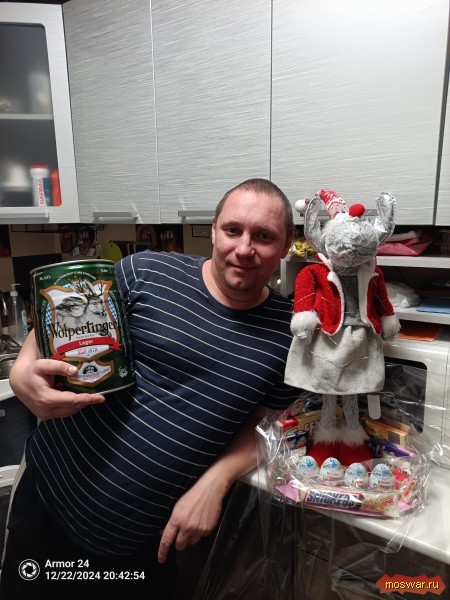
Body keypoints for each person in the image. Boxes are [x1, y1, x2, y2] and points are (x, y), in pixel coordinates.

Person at [0, 178, 300, 600]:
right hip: (47, 499)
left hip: (141, 543)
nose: (244, 248)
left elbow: (268, 426)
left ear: (286, 245)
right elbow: (62, 320)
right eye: (233, 230)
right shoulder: (146, 272)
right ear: (214, 230)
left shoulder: (290, 334)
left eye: (264, 236)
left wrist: (216, 480)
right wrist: (20, 373)